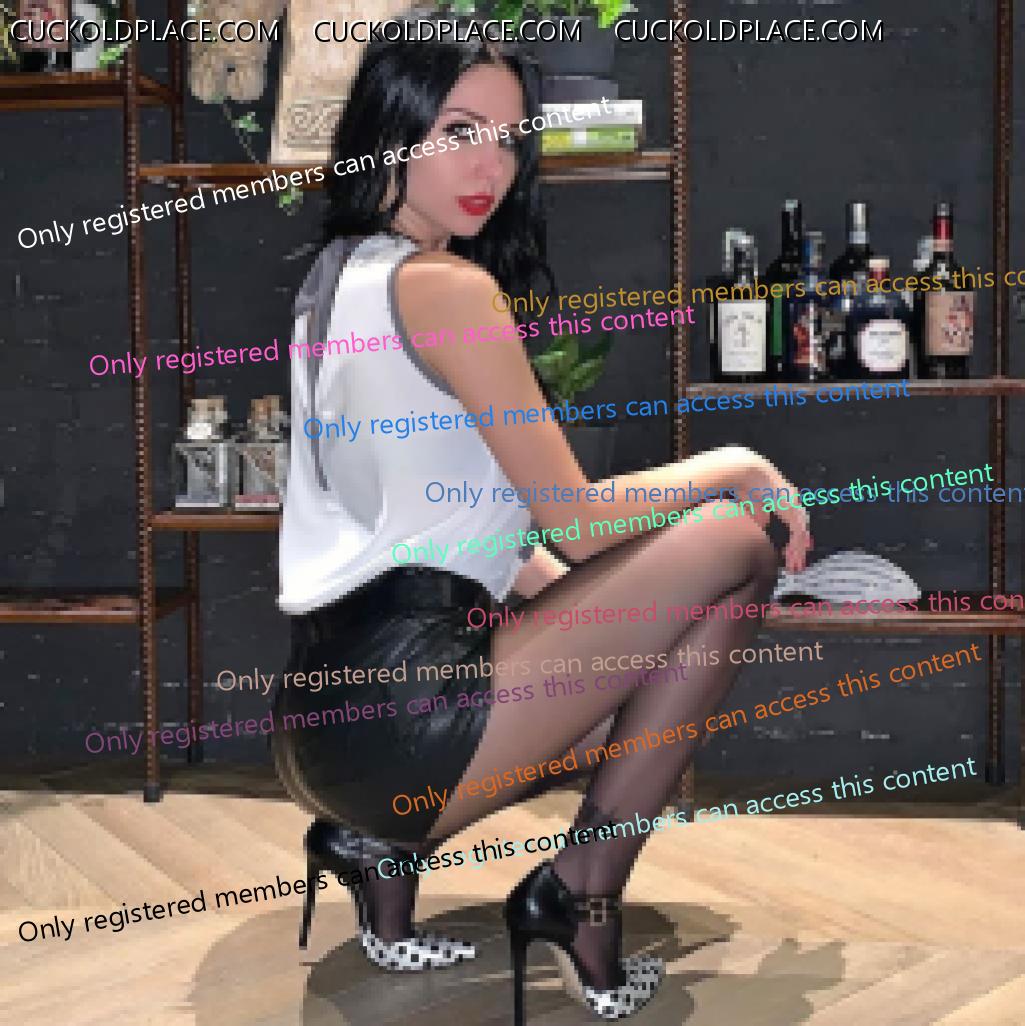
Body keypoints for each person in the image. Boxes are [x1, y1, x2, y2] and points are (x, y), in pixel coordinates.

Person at [272, 27, 812, 1024]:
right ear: (391, 128)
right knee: (738, 543)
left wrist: (606, 632)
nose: (490, 166)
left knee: (651, 701)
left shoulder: (334, 278)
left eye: (510, 138)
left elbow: (463, 529)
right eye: (458, 131)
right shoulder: (446, 289)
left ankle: (381, 851)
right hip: (409, 717)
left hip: (324, 726)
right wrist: (736, 465)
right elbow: (578, 522)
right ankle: (578, 897)